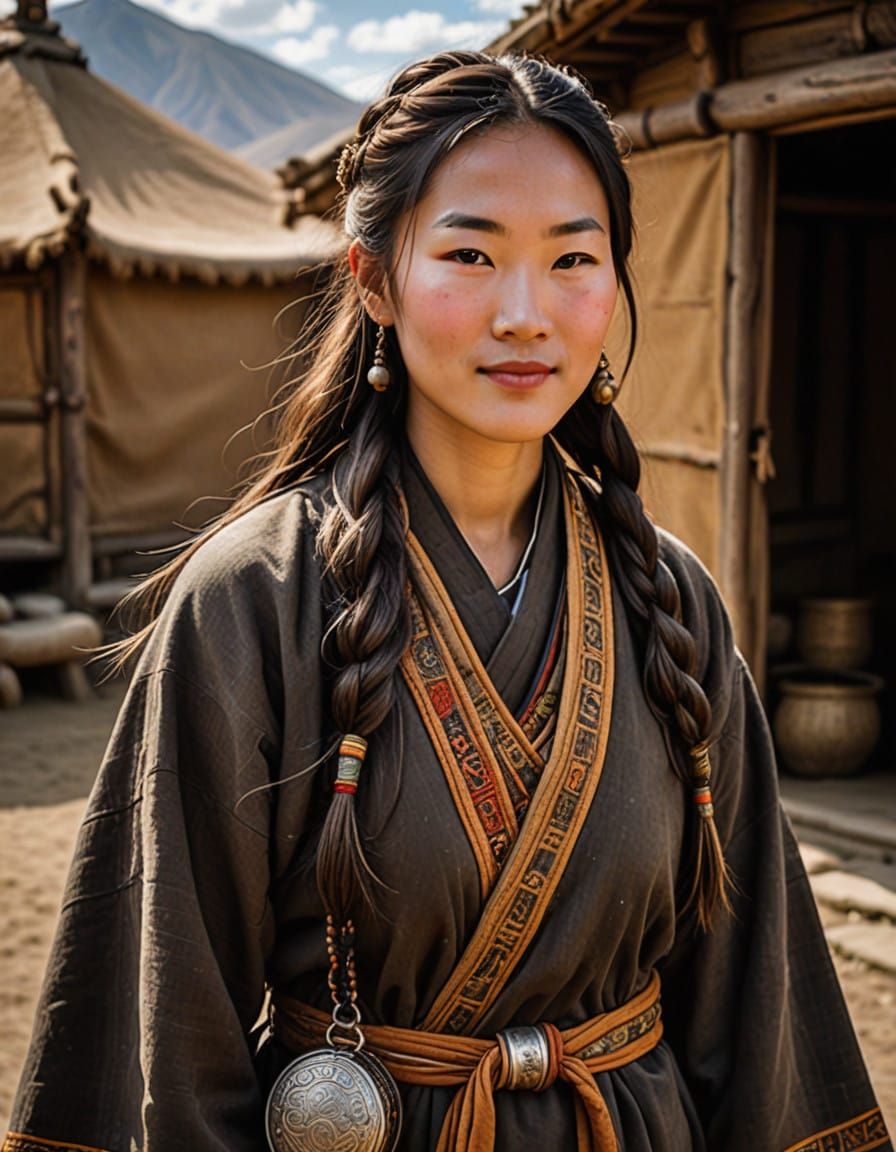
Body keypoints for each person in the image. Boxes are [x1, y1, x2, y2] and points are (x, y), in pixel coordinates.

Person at [4, 50, 890, 1152]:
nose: (525, 313)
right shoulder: (249, 604)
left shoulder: (672, 600)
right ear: (372, 278)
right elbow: (167, 1037)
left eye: (573, 257)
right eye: (469, 253)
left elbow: (759, 1014)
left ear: (614, 282)